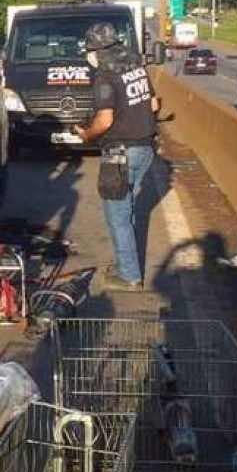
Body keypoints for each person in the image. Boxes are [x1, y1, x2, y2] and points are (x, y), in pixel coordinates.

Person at [72, 22, 160, 292]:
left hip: (120, 154)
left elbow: (105, 120)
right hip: (145, 147)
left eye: (90, 51)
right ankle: (126, 264)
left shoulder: (105, 77)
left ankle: (130, 276)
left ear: (97, 51)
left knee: (117, 216)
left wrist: (86, 135)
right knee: (127, 209)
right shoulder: (136, 68)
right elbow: (155, 104)